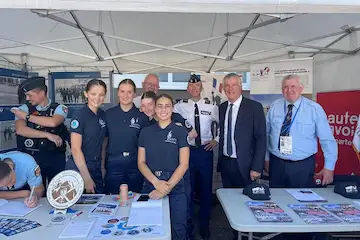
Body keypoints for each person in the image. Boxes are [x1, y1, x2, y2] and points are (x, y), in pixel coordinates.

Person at [265, 74, 338, 188]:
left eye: (293, 86)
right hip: (276, 164)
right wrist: (266, 158)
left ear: (301, 88)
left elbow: (327, 140)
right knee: (276, 201)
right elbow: (266, 134)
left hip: (302, 167)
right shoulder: (274, 106)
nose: (289, 90)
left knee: (300, 202)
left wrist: (329, 167)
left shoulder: (314, 109)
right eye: (285, 87)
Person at [138, 94, 190, 240]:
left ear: (172, 108)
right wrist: (156, 183)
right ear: (154, 109)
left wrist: (167, 187)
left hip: (176, 186)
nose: (163, 109)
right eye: (159, 106)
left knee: (179, 227)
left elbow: (184, 164)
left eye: (167, 106)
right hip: (151, 185)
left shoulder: (180, 131)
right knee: (150, 228)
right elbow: (141, 163)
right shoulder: (145, 132)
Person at [173, 74, 219, 240]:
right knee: (188, 191)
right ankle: (189, 228)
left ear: (201, 88)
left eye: (197, 86)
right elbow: (172, 117)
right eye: (191, 86)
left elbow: (222, 124)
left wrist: (216, 139)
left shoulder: (211, 106)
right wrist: (187, 125)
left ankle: (205, 226)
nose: (194, 89)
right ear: (187, 89)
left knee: (206, 190)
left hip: (205, 151)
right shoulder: (179, 106)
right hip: (188, 152)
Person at [12, 77, 69, 189]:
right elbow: (21, 130)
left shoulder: (59, 108)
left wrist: (26, 117)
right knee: (34, 192)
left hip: (55, 157)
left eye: (30, 95)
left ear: (42, 93)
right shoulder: (24, 108)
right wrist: (47, 135)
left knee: (57, 190)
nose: (27, 98)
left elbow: (53, 122)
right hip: (32, 158)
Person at [217, 73, 266, 187]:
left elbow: (261, 138)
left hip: (246, 164)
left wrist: (257, 167)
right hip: (226, 162)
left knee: (246, 201)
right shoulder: (222, 108)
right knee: (228, 199)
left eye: (234, 85)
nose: (230, 88)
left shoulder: (254, 107)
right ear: (223, 88)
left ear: (241, 87)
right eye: (227, 85)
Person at [104, 79, 151, 194]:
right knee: (114, 200)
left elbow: (146, 144)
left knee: (134, 199)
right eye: (122, 91)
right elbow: (104, 141)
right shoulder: (108, 114)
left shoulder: (142, 116)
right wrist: (102, 166)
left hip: (135, 163)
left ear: (134, 94)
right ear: (118, 93)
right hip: (113, 163)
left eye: (129, 92)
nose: (125, 95)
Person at [66, 79, 108, 194]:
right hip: (79, 167)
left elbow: (103, 143)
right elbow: (75, 149)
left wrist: (102, 166)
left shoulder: (103, 115)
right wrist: (86, 177)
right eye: (93, 94)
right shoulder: (80, 115)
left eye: (101, 95)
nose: (97, 98)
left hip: (97, 166)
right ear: (86, 94)